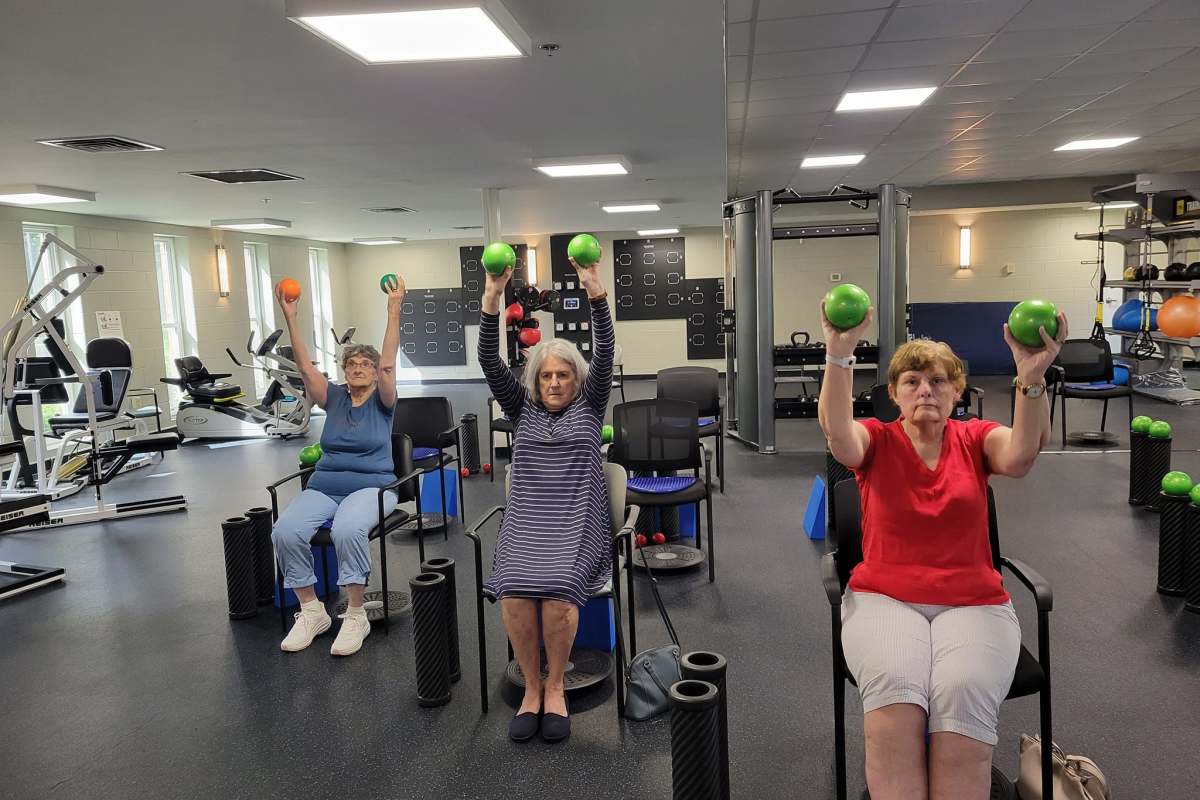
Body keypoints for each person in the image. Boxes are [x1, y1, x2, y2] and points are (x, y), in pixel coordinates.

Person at [818, 303, 1066, 800]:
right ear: (894, 394)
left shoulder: (976, 438)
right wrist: (839, 354)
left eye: (938, 380)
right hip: (884, 597)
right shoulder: (877, 439)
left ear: (957, 392)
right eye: (911, 380)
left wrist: (1031, 377)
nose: (925, 389)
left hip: (973, 601)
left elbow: (1020, 456)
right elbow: (839, 437)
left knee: (962, 705)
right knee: (893, 711)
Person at [478, 253, 613, 744]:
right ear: (534, 381)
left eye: (563, 375)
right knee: (513, 587)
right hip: (528, 522)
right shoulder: (522, 412)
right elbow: (490, 362)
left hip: (578, 523)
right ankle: (530, 688)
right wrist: (492, 299)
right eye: (545, 376)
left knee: (557, 591)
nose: (554, 382)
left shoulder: (591, 406)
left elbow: (607, 349)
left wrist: (595, 291)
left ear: (577, 379)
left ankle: (556, 686)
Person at [270, 275, 405, 656]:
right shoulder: (333, 397)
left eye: (366, 364)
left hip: (372, 487)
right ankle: (312, 610)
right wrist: (291, 317)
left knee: (348, 529)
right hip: (324, 486)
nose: (359, 367)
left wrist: (393, 310)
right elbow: (303, 365)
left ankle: (356, 615)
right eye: (352, 363)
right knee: (285, 531)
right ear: (344, 370)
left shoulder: (383, 399)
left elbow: (391, 362)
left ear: (376, 372)